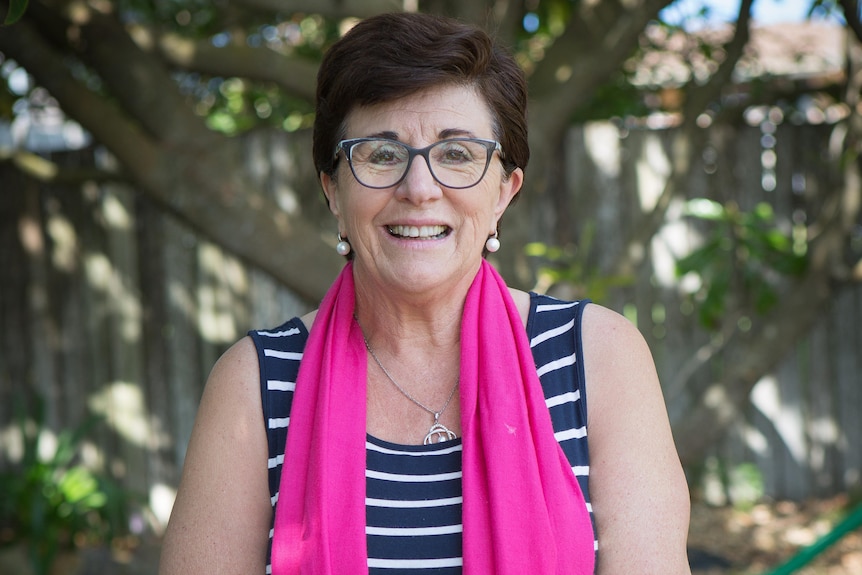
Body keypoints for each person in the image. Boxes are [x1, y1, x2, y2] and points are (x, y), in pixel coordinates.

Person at [158, 11, 691, 575]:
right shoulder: (255, 383)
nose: (419, 189)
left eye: (456, 154)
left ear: (504, 192)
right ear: (333, 190)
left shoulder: (599, 356)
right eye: (381, 154)